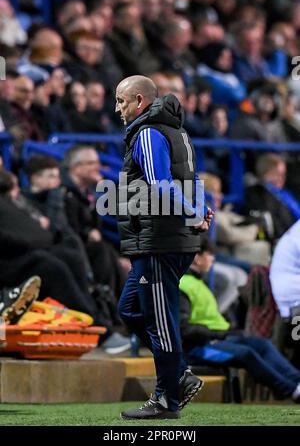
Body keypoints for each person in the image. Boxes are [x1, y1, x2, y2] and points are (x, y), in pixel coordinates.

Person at [115, 75, 213, 420]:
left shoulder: (146, 133)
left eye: (122, 101)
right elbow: (192, 180)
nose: (118, 109)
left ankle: (167, 396)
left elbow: (160, 185)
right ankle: (180, 374)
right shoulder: (179, 132)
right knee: (129, 309)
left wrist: (193, 212)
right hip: (169, 238)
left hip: (159, 240)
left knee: (160, 322)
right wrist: (199, 210)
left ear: (140, 101)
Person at [179, 240, 300, 403]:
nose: (213, 259)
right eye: (209, 255)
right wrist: (219, 333)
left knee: (262, 345)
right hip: (198, 347)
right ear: (197, 258)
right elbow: (184, 329)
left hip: (217, 339)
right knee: (246, 354)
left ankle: (297, 381)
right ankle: (291, 391)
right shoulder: (183, 286)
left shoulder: (197, 283)